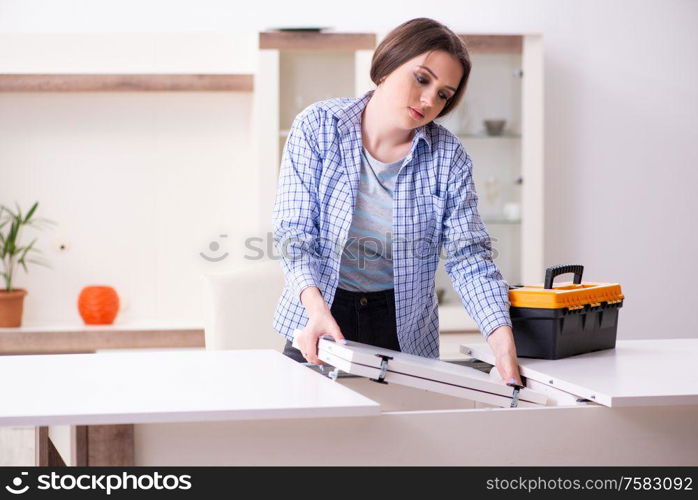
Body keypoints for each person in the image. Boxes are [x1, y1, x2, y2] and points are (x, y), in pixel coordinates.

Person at [271, 17, 522, 386]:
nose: (429, 100)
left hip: (401, 325)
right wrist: (316, 308)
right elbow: (294, 234)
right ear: (388, 64)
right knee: (312, 437)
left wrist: (500, 337)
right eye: (422, 79)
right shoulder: (318, 127)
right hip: (319, 315)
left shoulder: (447, 157)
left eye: (443, 94)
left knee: (399, 441)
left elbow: (468, 257)